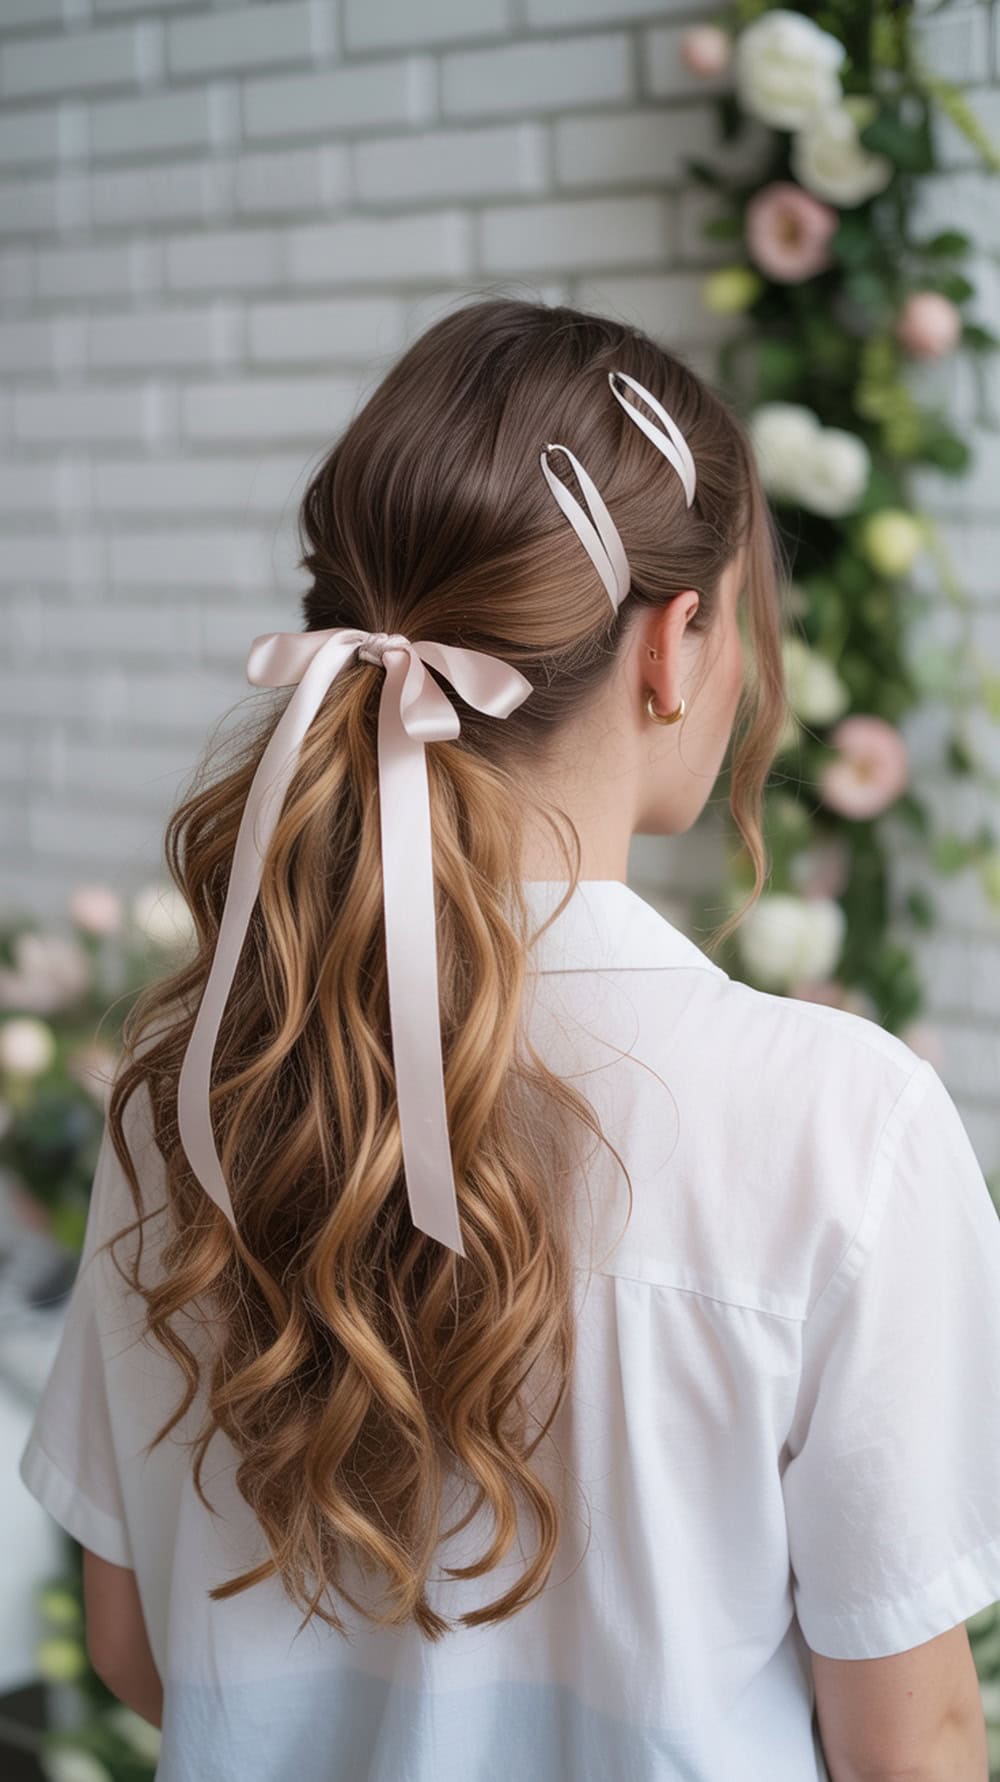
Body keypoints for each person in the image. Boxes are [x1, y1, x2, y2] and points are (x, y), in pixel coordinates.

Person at [18, 297, 1000, 1781]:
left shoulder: (192, 1097)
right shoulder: (844, 1126)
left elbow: (132, 1643)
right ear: (675, 646)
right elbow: (910, 1745)